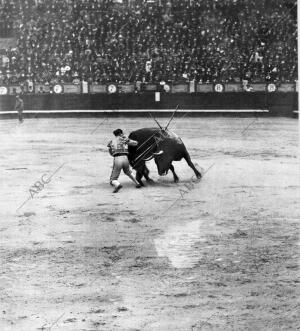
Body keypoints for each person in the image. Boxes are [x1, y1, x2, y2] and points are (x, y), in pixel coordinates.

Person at [107, 129, 142, 193]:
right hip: (125, 158)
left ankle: (118, 185)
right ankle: (137, 183)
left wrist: (114, 154)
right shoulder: (124, 139)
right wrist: (126, 138)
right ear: (121, 133)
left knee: (113, 179)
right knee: (128, 172)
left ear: (115, 134)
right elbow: (135, 143)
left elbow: (110, 151)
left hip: (117, 158)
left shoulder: (111, 141)